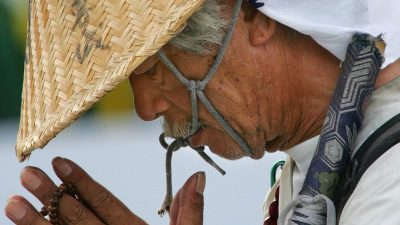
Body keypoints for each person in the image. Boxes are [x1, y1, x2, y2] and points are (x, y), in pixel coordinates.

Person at [5, 0, 400, 224]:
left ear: (254, 17)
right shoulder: (313, 168)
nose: (146, 108)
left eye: (153, 69)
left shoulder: (391, 183)